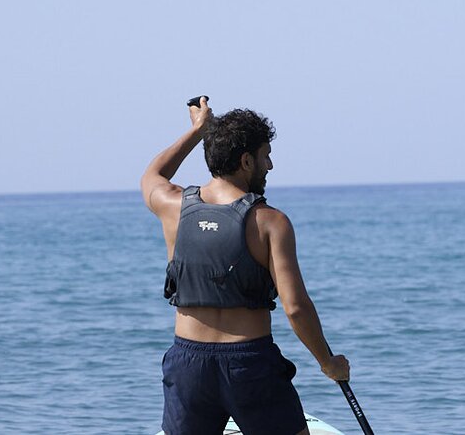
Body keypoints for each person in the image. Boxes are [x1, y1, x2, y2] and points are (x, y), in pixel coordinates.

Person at [142, 97, 351, 435]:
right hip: (249, 365)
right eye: (265, 156)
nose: (269, 165)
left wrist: (197, 132)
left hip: (188, 366)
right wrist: (328, 363)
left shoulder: (172, 206)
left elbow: (153, 174)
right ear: (245, 160)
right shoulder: (270, 222)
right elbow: (295, 308)